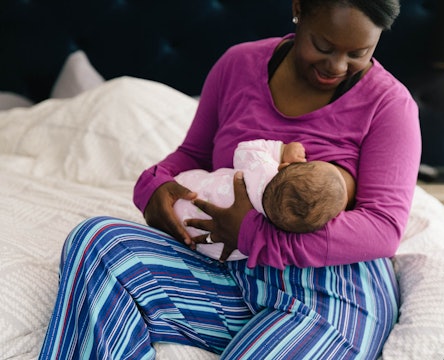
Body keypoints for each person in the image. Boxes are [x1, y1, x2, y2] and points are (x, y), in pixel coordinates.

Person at [39, 0, 421, 359]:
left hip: (328, 292)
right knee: (98, 242)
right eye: (323, 45)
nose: (337, 66)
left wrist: (255, 236)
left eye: (358, 53)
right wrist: (153, 186)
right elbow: (193, 155)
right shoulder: (238, 64)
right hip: (230, 276)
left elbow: (382, 228)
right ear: (299, 9)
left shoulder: (389, 105)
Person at [175, 139, 355, 261]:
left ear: (285, 166)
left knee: (200, 182)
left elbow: (244, 149)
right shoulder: (270, 228)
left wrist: (282, 150)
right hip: (202, 244)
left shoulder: (263, 170)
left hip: (184, 195)